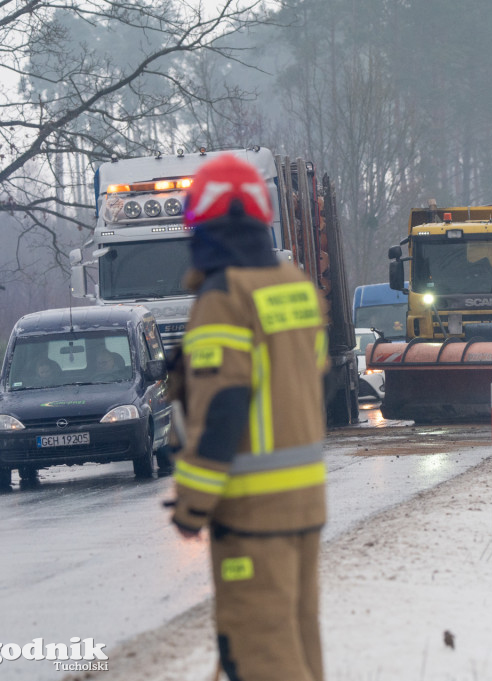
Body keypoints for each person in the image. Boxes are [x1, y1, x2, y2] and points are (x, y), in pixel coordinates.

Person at [168, 153, 328, 681]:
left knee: (260, 656)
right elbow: (311, 376)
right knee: (298, 643)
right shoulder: (296, 286)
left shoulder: (223, 297)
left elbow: (224, 407)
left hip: (252, 512)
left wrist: (192, 504)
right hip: (304, 504)